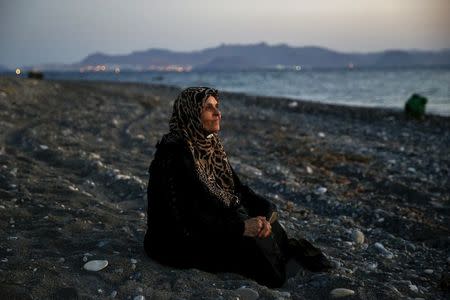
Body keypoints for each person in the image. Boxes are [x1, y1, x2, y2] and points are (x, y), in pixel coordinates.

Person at [144, 87, 332, 288]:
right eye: (209, 108)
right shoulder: (173, 154)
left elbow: (237, 188)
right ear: (191, 113)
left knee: (269, 224)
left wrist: (266, 210)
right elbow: (184, 218)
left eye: (217, 106)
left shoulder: (209, 144)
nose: (218, 113)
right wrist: (240, 227)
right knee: (258, 249)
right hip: (177, 240)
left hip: (209, 218)